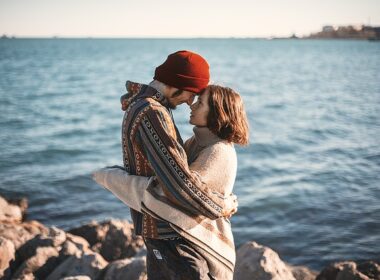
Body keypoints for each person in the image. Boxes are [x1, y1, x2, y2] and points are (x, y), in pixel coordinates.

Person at [94, 50, 241, 279]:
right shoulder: (152, 113)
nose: (189, 102)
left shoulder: (145, 107)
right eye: (192, 95)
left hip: (162, 232)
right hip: (171, 236)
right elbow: (181, 186)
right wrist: (222, 206)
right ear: (176, 85)